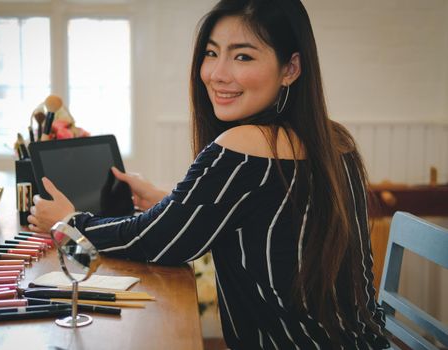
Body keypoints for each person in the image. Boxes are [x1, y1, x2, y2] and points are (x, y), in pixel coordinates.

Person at [28, 0, 390, 348]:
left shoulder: (244, 145)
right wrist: (167, 199)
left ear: (290, 68)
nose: (217, 74)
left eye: (243, 56)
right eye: (212, 53)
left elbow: (155, 242)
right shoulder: (335, 141)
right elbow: (267, 215)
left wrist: (69, 223)